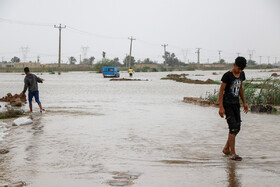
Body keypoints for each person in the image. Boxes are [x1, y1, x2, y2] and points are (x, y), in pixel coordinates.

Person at [219, 57, 249, 161]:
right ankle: (232, 153)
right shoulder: (227, 75)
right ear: (234, 65)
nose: (240, 71)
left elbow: (240, 88)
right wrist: (221, 107)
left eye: (242, 69)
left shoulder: (242, 74)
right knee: (233, 128)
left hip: (236, 104)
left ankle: (226, 148)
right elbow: (221, 91)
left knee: (237, 128)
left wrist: (244, 102)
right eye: (239, 68)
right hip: (228, 105)